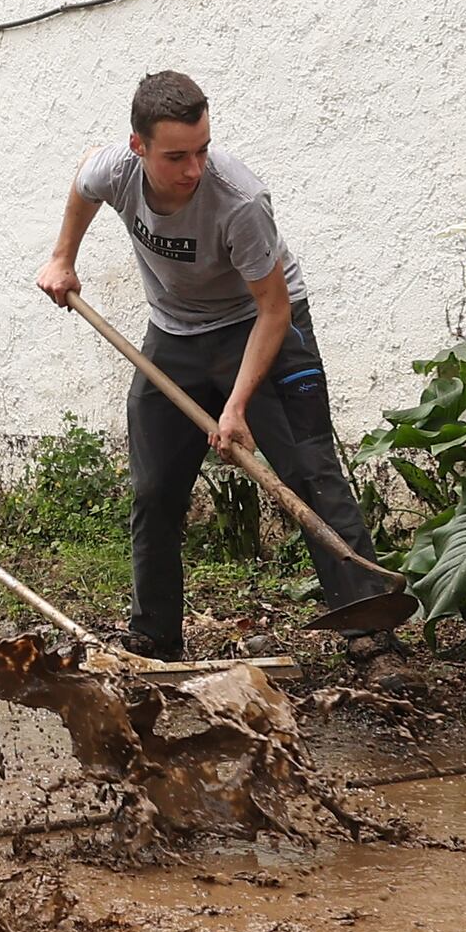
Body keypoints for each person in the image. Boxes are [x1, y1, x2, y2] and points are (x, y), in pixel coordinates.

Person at [39, 69, 396, 661]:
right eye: (176, 156)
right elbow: (83, 184)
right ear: (138, 148)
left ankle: (371, 630)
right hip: (175, 335)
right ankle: (154, 638)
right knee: (154, 489)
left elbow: (274, 311)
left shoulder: (240, 201)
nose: (193, 169)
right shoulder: (115, 169)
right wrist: (62, 258)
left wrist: (234, 407)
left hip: (258, 326)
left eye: (202, 150)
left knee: (308, 470)